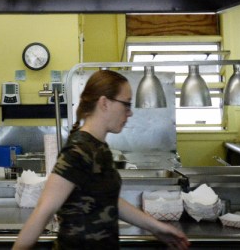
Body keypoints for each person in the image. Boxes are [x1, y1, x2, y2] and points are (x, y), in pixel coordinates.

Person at [12, 69, 189, 250]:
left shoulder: (100, 148)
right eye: (126, 104)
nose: (130, 113)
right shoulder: (78, 151)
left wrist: (156, 228)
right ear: (104, 103)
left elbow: (107, 199)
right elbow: (44, 210)